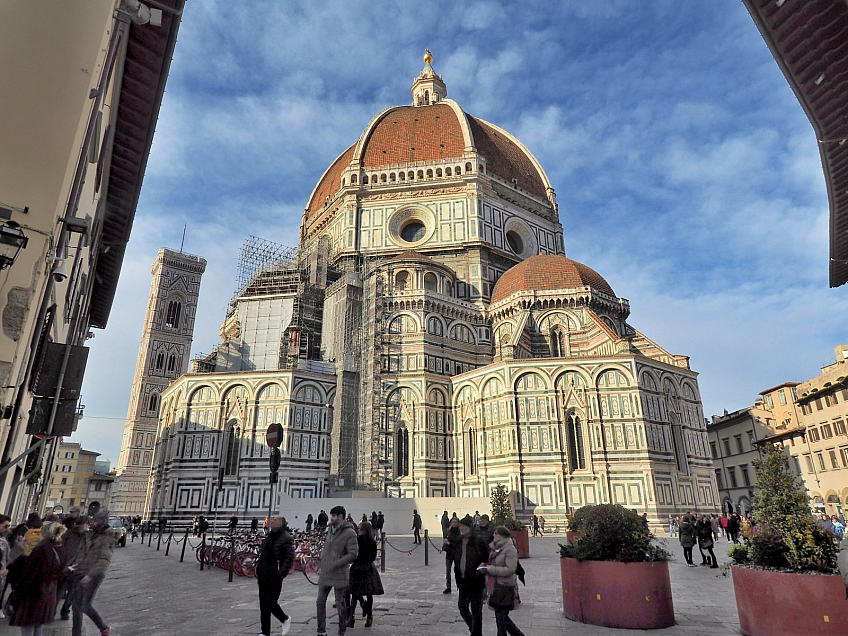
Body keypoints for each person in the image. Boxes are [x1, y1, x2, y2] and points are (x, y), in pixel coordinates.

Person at [10, 521, 67, 636]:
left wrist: (17, 595)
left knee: (28, 627)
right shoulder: (60, 549)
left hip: (34, 594)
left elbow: (29, 575)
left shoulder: (40, 550)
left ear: (44, 534)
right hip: (49, 592)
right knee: (38, 626)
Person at [70, 510, 115, 636]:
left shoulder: (107, 537)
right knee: (75, 605)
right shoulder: (90, 534)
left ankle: (103, 628)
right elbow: (82, 551)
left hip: (94, 574)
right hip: (80, 571)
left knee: (84, 604)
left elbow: (104, 560)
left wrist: (90, 575)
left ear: (101, 522)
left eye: (94, 521)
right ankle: (77, 633)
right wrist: (76, 564)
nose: (92, 523)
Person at [316, 506, 358, 636]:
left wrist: (337, 563)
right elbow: (326, 549)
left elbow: (353, 554)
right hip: (326, 572)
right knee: (320, 601)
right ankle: (321, 631)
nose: (331, 518)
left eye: (333, 515)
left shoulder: (350, 533)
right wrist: (321, 563)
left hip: (340, 572)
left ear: (341, 516)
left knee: (339, 603)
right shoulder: (330, 530)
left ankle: (341, 630)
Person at [479, 526, 525, 636]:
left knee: (501, 619)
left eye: (496, 533)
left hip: (505, 586)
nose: (493, 535)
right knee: (502, 619)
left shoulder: (510, 549)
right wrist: (485, 567)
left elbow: (510, 569)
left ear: (503, 535)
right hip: (495, 586)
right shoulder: (495, 548)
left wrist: (490, 569)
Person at [448, 514, 489, 636]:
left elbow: (486, 558)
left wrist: (481, 571)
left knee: (476, 610)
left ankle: (477, 633)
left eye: (463, 527)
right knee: (462, 607)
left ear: (469, 527)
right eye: (460, 527)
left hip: (475, 581)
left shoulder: (478, 541)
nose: (461, 529)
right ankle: (473, 628)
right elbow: (454, 555)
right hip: (462, 581)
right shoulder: (458, 541)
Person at [256, 516, 294, 636]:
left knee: (271, 602)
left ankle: (284, 619)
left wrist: (280, 573)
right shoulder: (270, 536)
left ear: (281, 523)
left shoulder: (286, 538)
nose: (273, 522)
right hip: (263, 573)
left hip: (274, 574)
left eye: (276, 520)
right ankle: (265, 631)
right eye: (272, 520)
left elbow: (289, 558)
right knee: (263, 604)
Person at [346, 521, 383, 629]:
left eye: (360, 529)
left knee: (368, 593)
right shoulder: (356, 541)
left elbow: (372, 556)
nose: (358, 531)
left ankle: (369, 616)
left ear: (366, 531)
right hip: (358, 568)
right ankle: (352, 616)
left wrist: (360, 560)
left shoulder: (371, 542)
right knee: (354, 592)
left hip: (366, 569)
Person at [59, 515, 90, 620]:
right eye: (86, 524)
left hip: (74, 566)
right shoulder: (70, 534)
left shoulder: (86, 536)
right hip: (68, 566)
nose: (87, 526)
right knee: (64, 591)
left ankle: (63, 610)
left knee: (69, 592)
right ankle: (60, 611)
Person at [442, 515, 461, 594]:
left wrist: (449, 543)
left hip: (456, 554)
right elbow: (446, 539)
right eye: (452, 522)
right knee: (448, 571)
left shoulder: (459, 533)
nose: (453, 523)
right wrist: (445, 544)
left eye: (455, 522)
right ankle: (448, 587)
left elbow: (458, 544)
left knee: (458, 571)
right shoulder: (448, 531)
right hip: (449, 554)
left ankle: (459, 586)